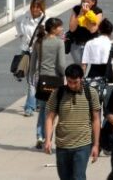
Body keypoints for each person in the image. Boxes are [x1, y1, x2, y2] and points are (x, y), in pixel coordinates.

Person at [44, 64, 101, 180]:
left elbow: (96, 119)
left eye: (75, 82)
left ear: (81, 79)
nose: (72, 85)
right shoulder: (58, 93)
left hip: (83, 145)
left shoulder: (91, 93)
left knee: (78, 177)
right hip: (62, 145)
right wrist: (48, 140)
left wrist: (96, 145)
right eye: (69, 82)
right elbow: (50, 118)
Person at [30, 17, 66, 149]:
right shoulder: (59, 43)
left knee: (43, 108)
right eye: (60, 27)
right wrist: (64, 75)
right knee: (53, 111)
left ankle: (40, 135)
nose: (62, 29)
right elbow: (61, 65)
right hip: (55, 80)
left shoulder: (38, 42)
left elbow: (33, 64)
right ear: (54, 29)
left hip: (42, 80)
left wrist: (32, 78)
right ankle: (48, 137)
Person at [17, 0, 47, 117]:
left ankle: (29, 106)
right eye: (33, 6)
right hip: (26, 49)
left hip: (38, 51)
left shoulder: (45, 20)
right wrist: (20, 35)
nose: (34, 9)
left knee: (32, 79)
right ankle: (38, 101)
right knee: (30, 78)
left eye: (37, 7)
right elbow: (17, 22)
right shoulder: (25, 16)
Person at [68, 0, 102, 64]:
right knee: (79, 67)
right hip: (76, 43)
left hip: (90, 44)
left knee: (85, 66)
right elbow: (72, 28)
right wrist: (80, 15)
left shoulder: (97, 12)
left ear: (93, 2)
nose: (84, 4)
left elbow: (93, 29)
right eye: (83, 1)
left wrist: (87, 15)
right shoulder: (76, 9)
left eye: (87, 2)